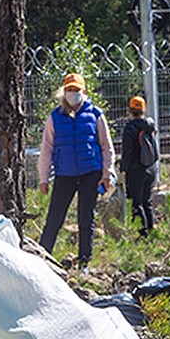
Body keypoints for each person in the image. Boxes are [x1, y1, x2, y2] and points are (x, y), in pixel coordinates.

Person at [37, 73, 115, 268]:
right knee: (54, 217)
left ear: (84, 91)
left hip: (91, 172)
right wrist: (43, 178)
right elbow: (47, 148)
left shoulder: (95, 114)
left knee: (86, 217)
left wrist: (107, 173)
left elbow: (106, 146)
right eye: (69, 90)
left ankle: (84, 263)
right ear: (64, 92)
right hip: (64, 173)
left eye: (76, 90)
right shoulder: (55, 117)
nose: (73, 93)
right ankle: (41, 257)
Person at [120, 95, 157, 237]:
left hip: (136, 171)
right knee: (147, 201)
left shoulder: (130, 128)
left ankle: (141, 235)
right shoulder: (150, 125)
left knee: (136, 203)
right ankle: (151, 232)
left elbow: (127, 152)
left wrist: (123, 169)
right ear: (143, 110)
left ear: (129, 110)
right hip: (151, 168)